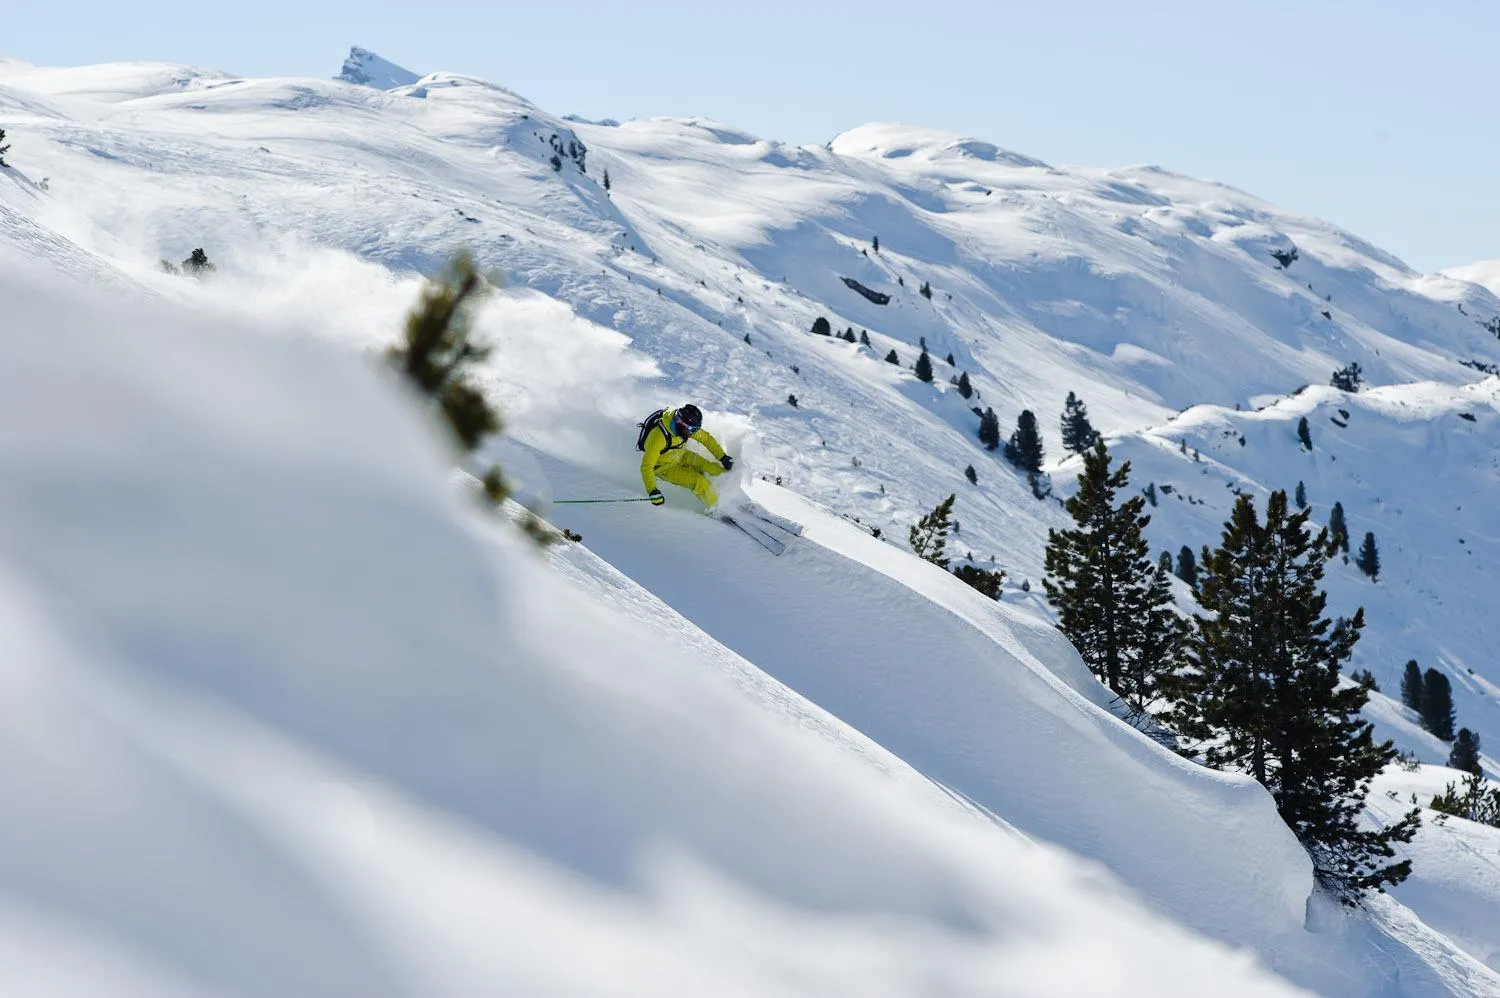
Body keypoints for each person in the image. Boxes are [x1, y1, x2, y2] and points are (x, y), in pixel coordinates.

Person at [640, 404, 734, 509]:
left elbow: (706, 439)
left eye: (695, 430)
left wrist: (723, 457)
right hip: (664, 468)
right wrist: (652, 490)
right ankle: (719, 509)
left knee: (713, 469)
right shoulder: (658, 438)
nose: (693, 434)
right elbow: (646, 467)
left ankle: (735, 497)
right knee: (700, 481)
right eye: (692, 430)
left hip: (680, 454)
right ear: (681, 424)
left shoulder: (685, 427)